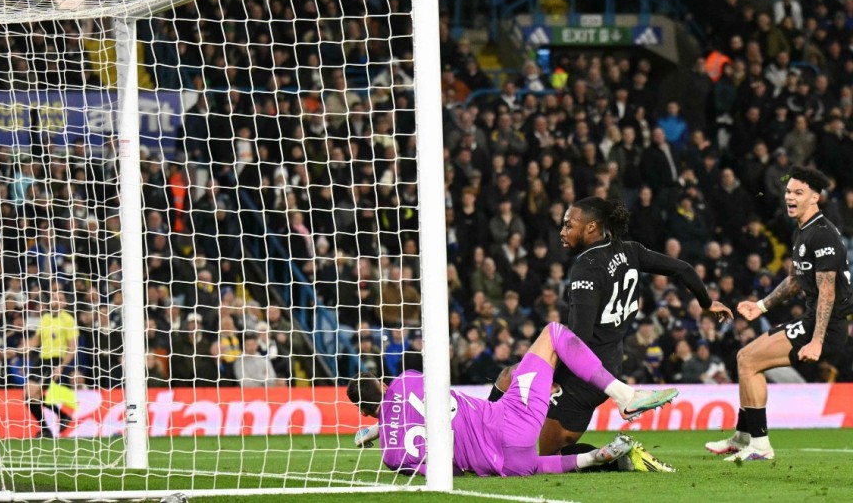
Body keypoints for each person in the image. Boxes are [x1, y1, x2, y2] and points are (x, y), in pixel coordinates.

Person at [533, 196, 733, 467]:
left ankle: (623, 457)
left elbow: (578, 336)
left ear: (591, 227)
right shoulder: (630, 251)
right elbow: (683, 269)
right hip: (611, 367)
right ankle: (621, 457)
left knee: (546, 459)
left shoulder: (586, 267)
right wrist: (707, 303)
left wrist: (552, 376)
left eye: (569, 225)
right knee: (556, 453)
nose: (562, 231)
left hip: (583, 375)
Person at [346, 321, 679, 477]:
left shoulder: (392, 455)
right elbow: (415, 400)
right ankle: (625, 396)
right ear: (381, 380)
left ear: (364, 412)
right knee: (554, 334)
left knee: (534, 464)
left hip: (503, 464)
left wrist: (380, 429)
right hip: (508, 421)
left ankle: (594, 459)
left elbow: (449, 471)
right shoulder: (406, 380)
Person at [706, 166, 853, 461]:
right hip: (813, 320)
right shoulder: (804, 230)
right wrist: (761, 305)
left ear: (815, 198)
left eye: (799, 193)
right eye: (788, 191)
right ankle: (744, 437)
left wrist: (817, 341)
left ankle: (758, 445)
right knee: (746, 358)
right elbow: (795, 279)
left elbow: (828, 293)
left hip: (825, 326)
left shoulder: (822, 235)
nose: (790, 197)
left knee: (748, 360)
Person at [21, 290, 78, 438]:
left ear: (65, 303)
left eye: (61, 298)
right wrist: (24, 348)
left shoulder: (68, 320)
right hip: (41, 360)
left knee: (35, 394)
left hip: (56, 360)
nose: (57, 300)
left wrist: (61, 366)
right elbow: (36, 340)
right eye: (55, 297)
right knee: (27, 396)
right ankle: (55, 421)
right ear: (50, 300)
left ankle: (50, 425)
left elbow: (72, 348)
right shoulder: (45, 317)